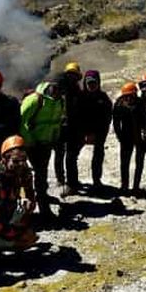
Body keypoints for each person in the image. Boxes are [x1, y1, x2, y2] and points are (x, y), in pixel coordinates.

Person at [19, 80, 64, 221]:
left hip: (46, 143)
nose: (56, 94)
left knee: (41, 173)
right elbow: (21, 122)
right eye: (54, 92)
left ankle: (40, 198)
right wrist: (29, 141)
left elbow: (57, 122)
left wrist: (55, 138)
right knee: (34, 173)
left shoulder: (59, 102)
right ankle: (40, 207)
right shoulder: (34, 100)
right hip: (31, 144)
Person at [71, 69, 113, 193]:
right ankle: (73, 183)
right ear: (85, 83)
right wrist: (83, 134)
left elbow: (107, 118)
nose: (91, 85)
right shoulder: (79, 97)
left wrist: (97, 134)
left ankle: (96, 181)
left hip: (99, 132)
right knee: (72, 155)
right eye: (89, 83)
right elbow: (75, 117)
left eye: (94, 83)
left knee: (98, 155)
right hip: (81, 132)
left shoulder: (103, 98)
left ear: (98, 82)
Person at [112, 82, 146, 194]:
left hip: (139, 137)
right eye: (126, 96)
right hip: (126, 136)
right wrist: (120, 136)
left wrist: (144, 133)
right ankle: (124, 186)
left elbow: (145, 120)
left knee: (139, 162)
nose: (129, 98)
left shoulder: (140, 103)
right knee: (124, 162)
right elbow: (116, 124)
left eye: (131, 95)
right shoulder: (119, 105)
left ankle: (136, 186)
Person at [57, 62, 84, 195]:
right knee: (62, 153)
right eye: (71, 74)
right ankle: (63, 180)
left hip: (72, 126)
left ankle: (70, 181)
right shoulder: (60, 89)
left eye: (74, 75)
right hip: (62, 125)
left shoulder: (76, 90)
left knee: (70, 156)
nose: (72, 77)